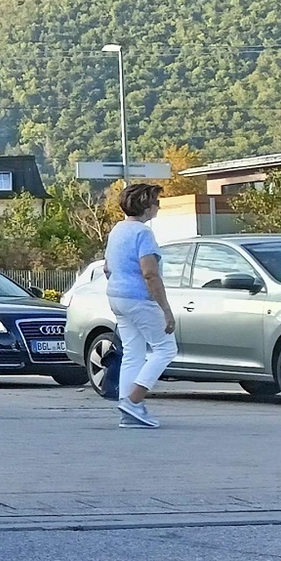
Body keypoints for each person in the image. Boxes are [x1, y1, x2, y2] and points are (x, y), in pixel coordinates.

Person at [103, 182, 175, 427]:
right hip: (139, 299)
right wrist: (166, 310)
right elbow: (150, 274)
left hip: (117, 297)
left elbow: (107, 268)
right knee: (166, 349)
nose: (158, 206)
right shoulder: (143, 234)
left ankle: (129, 413)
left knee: (133, 353)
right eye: (156, 202)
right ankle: (133, 401)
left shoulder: (118, 230)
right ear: (145, 206)